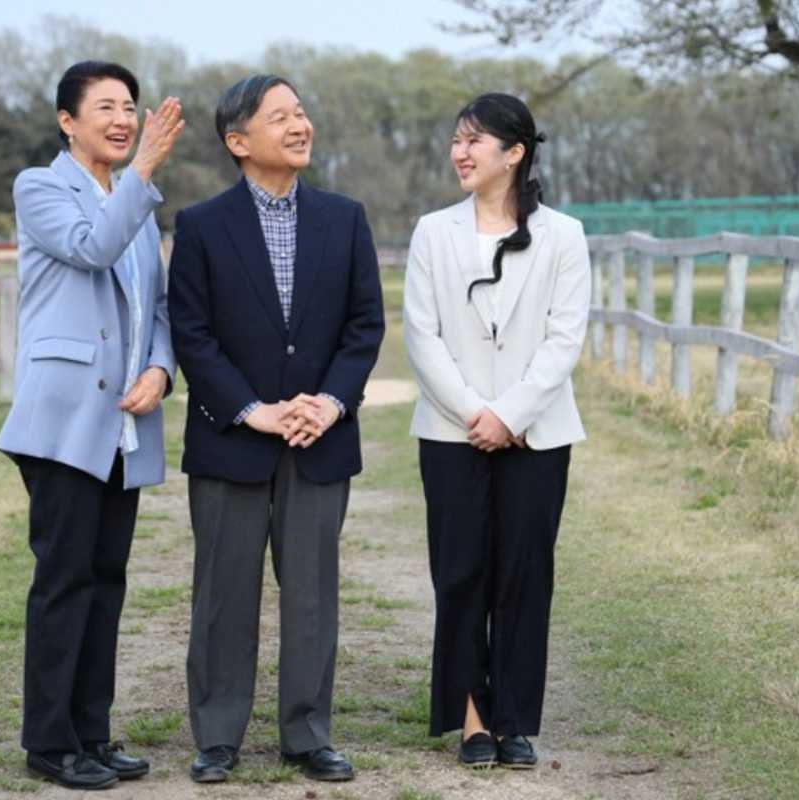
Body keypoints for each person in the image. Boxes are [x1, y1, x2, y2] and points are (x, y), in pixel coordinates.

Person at [167, 74, 384, 784]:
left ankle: (307, 733)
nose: (300, 125)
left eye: (302, 111)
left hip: (319, 437)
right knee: (224, 592)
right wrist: (251, 409)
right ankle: (219, 736)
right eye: (281, 116)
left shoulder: (345, 217)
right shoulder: (200, 226)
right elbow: (192, 335)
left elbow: (364, 325)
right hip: (233, 438)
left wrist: (329, 401)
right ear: (238, 141)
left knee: (313, 592)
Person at [0, 60, 184, 791]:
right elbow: (89, 247)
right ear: (67, 122)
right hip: (62, 419)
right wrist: (141, 174)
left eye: (130, 106)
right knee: (65, 579)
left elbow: (157, 306)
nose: (124, 117)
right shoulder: (40, 188)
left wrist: (160, 371)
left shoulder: (137, 203)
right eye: (105, 105)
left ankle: (92, 734)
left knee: (108, 580)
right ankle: (49, 741)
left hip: (123, 423)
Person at [403, 93, 591, 770]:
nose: (460, 152)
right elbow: (421, 337)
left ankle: (514, 718)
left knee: (523, 574)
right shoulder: (432, 232)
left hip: (536, 434)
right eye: (456, 139)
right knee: (460, 573)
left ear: (514, 153)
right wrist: (475, 414)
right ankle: (472, 717)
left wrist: (510, 413)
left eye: (475, 141)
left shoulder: (564, 236)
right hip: (451, 434)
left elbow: (564, 337)